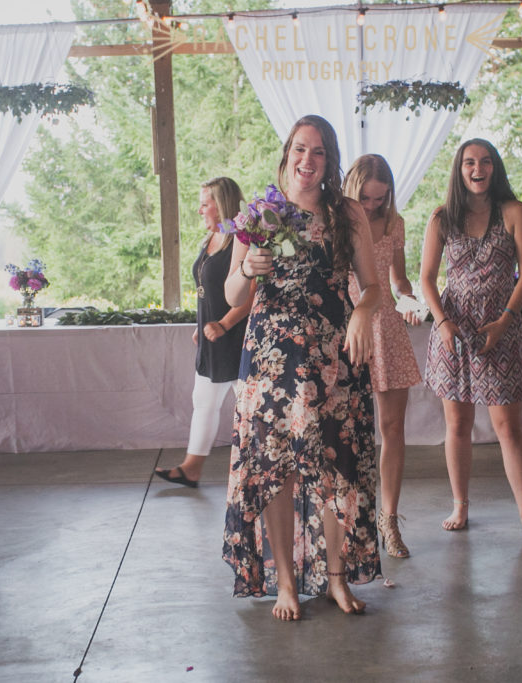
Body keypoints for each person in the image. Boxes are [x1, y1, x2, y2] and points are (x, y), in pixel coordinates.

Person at [222, 115, 381, 621]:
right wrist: (246, 268)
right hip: (270, 360)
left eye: (318, 152)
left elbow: (373, 286)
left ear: (329, 162)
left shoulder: (347, 213)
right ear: (287, 153)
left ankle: (336, 579)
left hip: (331, 355)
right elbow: (231, 294)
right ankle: (286, 584)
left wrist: (362, 312)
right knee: (275, 467)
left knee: (337, 464)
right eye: (299, 149)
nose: (306, 160)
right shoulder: (260, 213)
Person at [420, 138, 522, 537]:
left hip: (500, 327)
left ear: (496, 167)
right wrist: (442, 323)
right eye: (469, 163)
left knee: (509, 427)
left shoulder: (514, 212)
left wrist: (505, 320)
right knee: (457, 424)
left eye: (486, 161)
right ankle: (459, 507)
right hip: (453, 331)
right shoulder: (442, 217)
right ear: (459, 170)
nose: (478, 169)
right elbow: (426, 278)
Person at [342, 154, 423, 559]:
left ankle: (389, 520)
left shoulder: (394, 223)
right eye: (366, 198)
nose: (373, 206)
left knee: (392, 429)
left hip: (387, 325)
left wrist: (410, 301)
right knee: (346, 432)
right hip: (348, 325)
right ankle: (348, 520)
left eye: (380, 198)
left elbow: (399, 279)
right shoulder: (337, 222)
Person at [155, 177, 253, 487]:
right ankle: (191, 468)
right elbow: (206, 290)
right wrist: (204, 327)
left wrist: (224, 324)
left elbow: (252, 295)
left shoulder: (242, 241)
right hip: (212, 337)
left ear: (221, 205)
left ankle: (259, 475)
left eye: (204, 204)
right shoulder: (212, 239)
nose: (199, 210)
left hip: (236, 338)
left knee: (250, 410)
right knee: (204, 401)